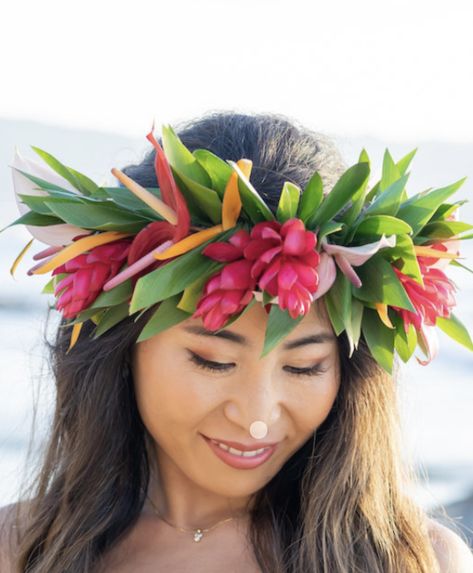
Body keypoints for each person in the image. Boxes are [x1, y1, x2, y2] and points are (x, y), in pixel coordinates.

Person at [1, 111, 473, 572]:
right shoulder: (20, 549)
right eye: (213, 361)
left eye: (304, 366)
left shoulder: (416, 560)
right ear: (123, 348)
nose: (257, 420)